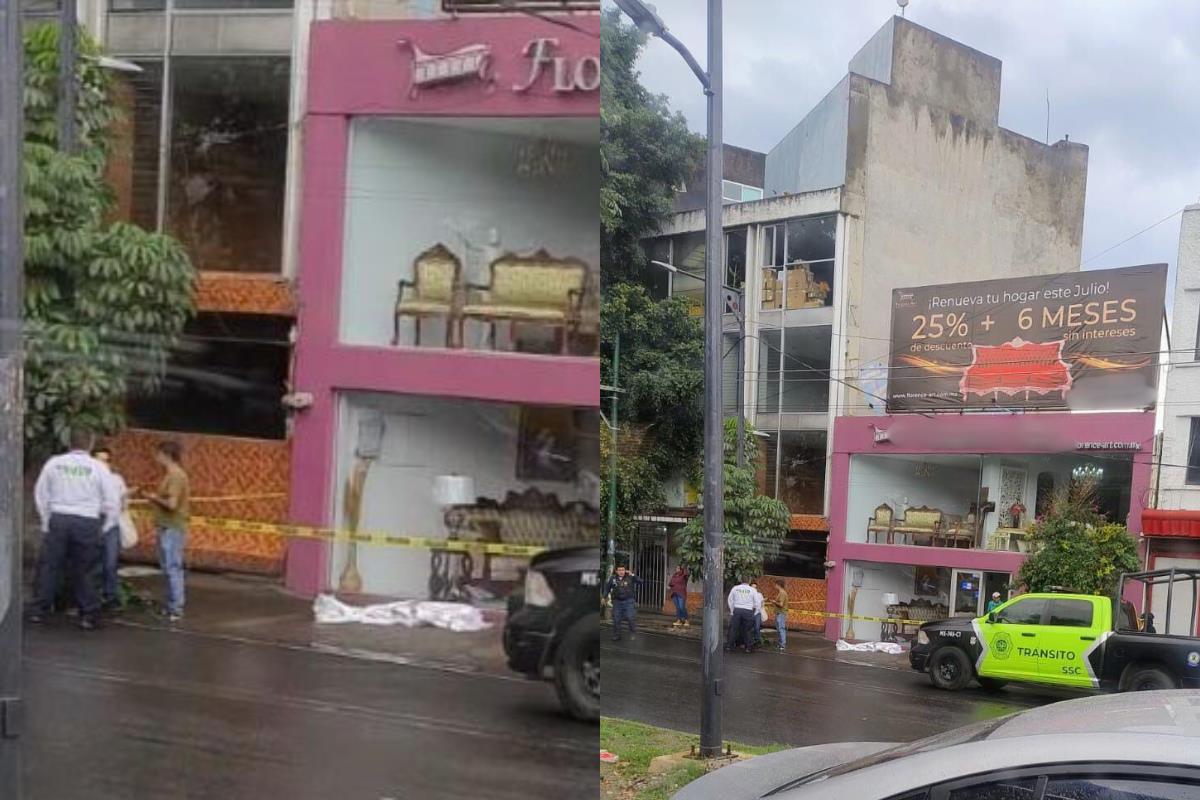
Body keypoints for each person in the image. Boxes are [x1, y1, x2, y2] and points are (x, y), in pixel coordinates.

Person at [29, 430, 118, 630]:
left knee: (50, 566)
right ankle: (88, 614)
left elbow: (41, 493)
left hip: (59, 518)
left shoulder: (54, 463)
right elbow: (111, 500)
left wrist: (46, 519)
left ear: (69, 442)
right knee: (85, 569)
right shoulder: (98, 467)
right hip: (86, 520)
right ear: (91, 444)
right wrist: (106, 525)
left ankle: (39, 609)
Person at [138, 440, 190, 622]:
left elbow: (172, 504)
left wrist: (153, 497)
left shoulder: (176, 476)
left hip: (172, 526)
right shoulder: (170, 475)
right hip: (166, 525)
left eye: (158, 454)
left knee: (172, 567)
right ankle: (171, 606)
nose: (156, 457)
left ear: (166, 455)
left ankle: (176, 607)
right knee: (167, 567)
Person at [92, 444, 128, 610]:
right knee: (92, 563)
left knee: (110, 563)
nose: (103, 464)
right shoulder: (88, 479)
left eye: (106, 461)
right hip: (92, 522)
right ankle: (91, 596)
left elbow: (123, 502)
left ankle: (110, 596)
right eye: (99, 460)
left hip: (111, 524)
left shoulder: (117, 479)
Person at [605, 565, 642, 641]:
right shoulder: (613, 578)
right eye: (619, 570)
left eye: (623, 570)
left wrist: (632, 574)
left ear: (625, 570)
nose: (621, 571)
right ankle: (617, 635)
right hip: (617, 601)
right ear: (616, 571)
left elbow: (640, 581)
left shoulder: (630, 577)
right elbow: (607, 588)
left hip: (629, 601)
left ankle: (633, 633)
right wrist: (604, 597)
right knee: (616, 619)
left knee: (630, 617)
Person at [726, 578, 758, 653]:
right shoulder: (752, 590)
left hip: (737, 610)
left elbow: (730, 600)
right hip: (748, 611)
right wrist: (755, 612)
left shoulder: (735, 588)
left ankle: (729, 646)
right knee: (747, 630)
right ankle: (748, 647)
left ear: (741, 580)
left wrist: (732, 610)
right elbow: (757, 602)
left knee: (733, 629)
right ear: (749, 581)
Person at [772, 579, 790, 652]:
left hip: (781, 613)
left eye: (775, 584)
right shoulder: (781, 593)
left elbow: (781, 604)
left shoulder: (782, 593)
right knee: (779, 628)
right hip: (779, 613)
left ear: (778, 585)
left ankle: (782, 644)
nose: (774, 586)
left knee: (781, 628)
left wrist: (774, 602)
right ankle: (780, 643)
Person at [750, 581, 766, 649]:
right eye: (752, 587)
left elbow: (762, 604)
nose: (754, 589)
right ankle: (749, 641)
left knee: (757, 627)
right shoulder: (748, 594)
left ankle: (757, 641)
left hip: (757, 613)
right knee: (749, 627)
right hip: (749, 612)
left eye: (755, 587)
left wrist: (762, 602)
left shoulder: (759, 594)